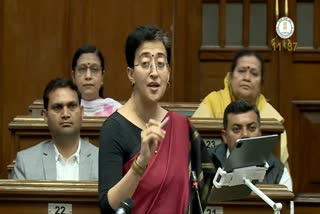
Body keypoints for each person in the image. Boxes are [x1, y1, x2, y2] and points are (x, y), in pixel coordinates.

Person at [98, 25, 216, 214]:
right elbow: (108, 205)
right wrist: (141, 163)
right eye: (145, 64)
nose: (154, 72)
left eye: (161, 64)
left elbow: (204, 185)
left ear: (168, 73)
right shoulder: (114, 128)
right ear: (130, 74)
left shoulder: (180, 126)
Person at [193, 49, 290, 169]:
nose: (247, 78)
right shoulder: (212, 102)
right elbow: (193, 143)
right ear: (230, 77)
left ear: (261, 83)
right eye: (241, 71)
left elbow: (279, 167)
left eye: (254, 73)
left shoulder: (273, 118)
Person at [11, 79, 98, 180]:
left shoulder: (102, 160)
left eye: (72, 106)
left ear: (82, 113)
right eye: (57, 107)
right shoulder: (26, 161)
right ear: (45, 116)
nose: (65, 114)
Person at [209, 100, 292, 190]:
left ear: (260, 133)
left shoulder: (277, 170)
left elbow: (286, 203)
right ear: (225, 136)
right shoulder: (207, 163)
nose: (245, 134)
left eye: (251, 128)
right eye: (236, 129)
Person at [71, 44, 122, 116]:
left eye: (94, 69)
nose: (88, 76)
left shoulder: (117, 111)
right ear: (73, 76)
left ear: (102, 76)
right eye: (82, 69)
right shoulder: (66, 111)